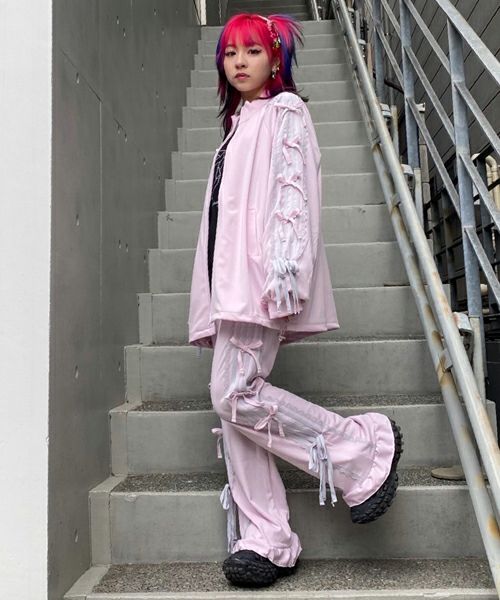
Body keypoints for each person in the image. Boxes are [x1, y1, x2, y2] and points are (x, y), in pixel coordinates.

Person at [187, 12, 403, 588]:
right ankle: (267, 538)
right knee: (233, 409)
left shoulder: (285, 111)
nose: (239, 62)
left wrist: (284, 273)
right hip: (229, 287)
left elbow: (294, 194)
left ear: (275, 58)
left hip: (259, 282)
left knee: (233, 394)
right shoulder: (237, 125)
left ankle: (360, 449)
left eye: (252, 51)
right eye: (230, 53)